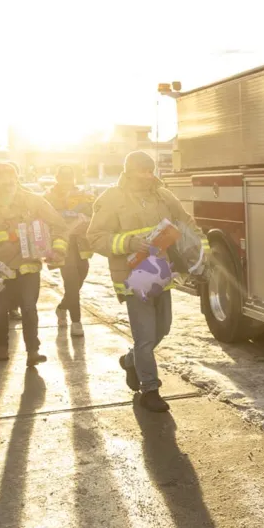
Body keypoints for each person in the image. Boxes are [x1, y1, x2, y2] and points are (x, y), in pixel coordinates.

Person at [86, 151, 209, 413]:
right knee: (144, 337)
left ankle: (131, 361)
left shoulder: (163, 195)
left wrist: (200, 247)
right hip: (132, 276)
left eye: (150, 170)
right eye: (142, 171)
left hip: (161, 272)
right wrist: (128, 243)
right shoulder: (110, 199)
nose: (147, 175)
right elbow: (95, 237)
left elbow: (184, 220)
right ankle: (150, 389)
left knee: (161, 329)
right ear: (128, 171)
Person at [0, 161, 69, 365]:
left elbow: (58, 225)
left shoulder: (33, 201)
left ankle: (33, 351)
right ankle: (2, 346)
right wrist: (9, 235)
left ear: (17, 179)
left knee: (28, 307)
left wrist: (58, 248)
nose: (7, 184)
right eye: (2, 180)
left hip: (29, 266)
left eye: (11, 179)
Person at [44, 165, 93, 337]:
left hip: (80, 243)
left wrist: (85, 216)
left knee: (81, 276)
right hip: (61, 244)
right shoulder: (48, 197)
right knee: (71, 282)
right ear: (57, 178)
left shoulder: (83, 196)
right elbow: (45, 219)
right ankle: (76, 322)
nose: (66, 181)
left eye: (69, 178)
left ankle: (62, 306)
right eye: (63, 178)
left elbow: (93, 214)